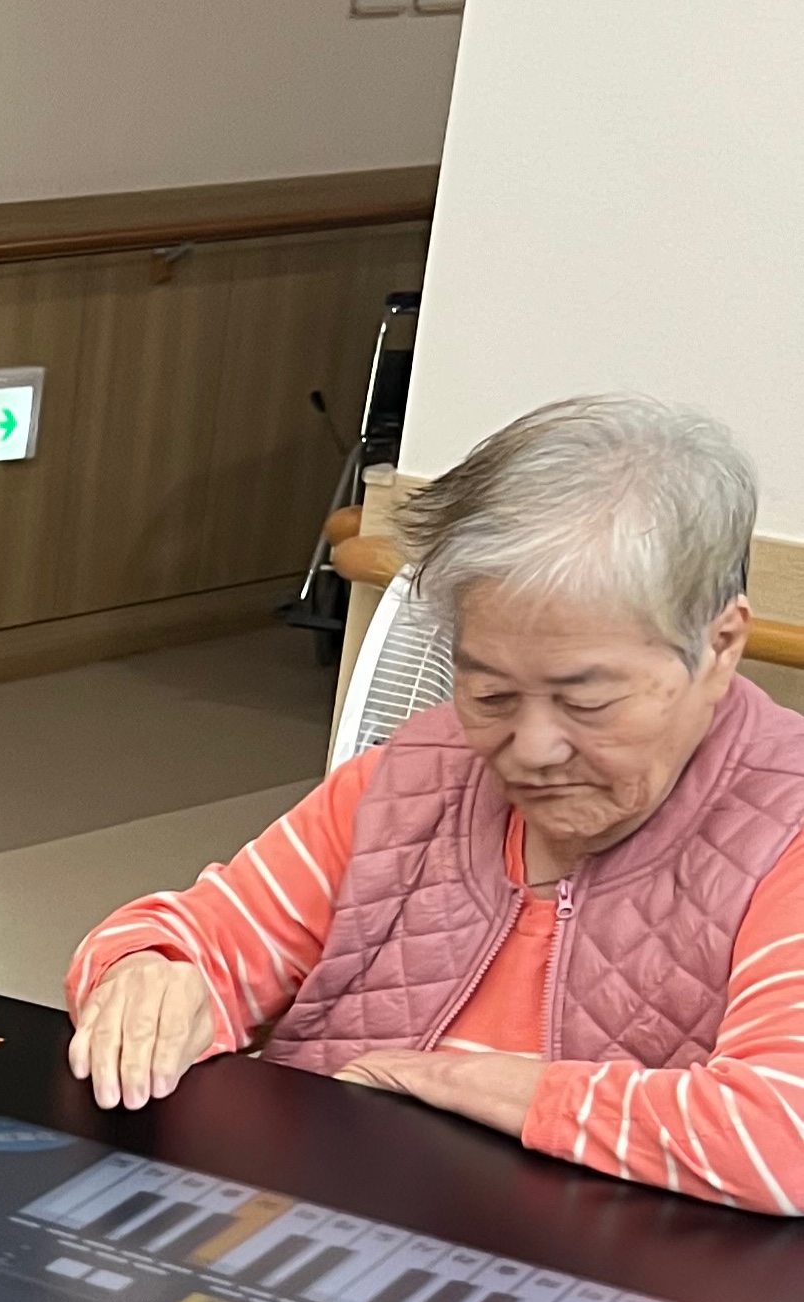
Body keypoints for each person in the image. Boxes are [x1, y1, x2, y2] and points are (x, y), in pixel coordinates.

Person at [65, 395, 804, 1215]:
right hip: (326, 1232)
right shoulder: (410, 780)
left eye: (585, 702)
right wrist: (148, 976)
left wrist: (445, 1084)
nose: (530, 748)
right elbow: (192, 938)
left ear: (719, 646)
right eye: (489, 694)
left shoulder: (786, 827)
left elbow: (782, 1139)